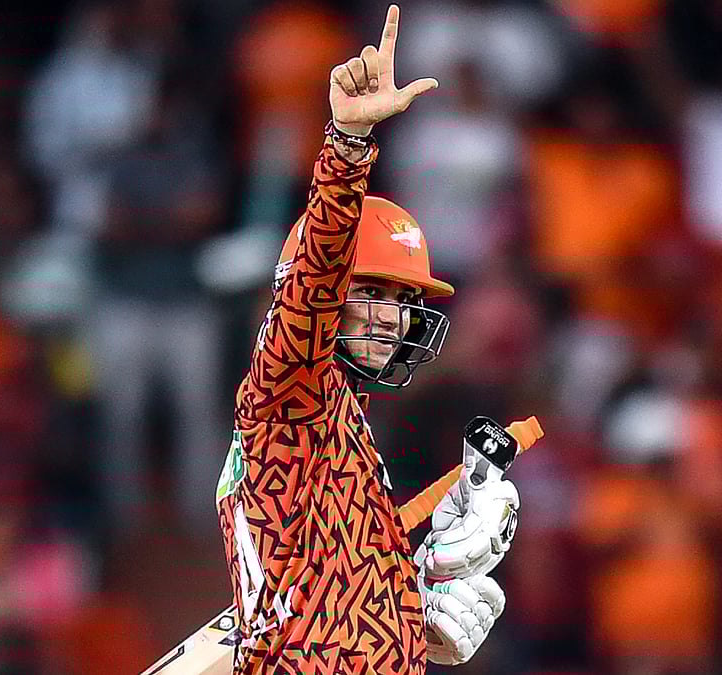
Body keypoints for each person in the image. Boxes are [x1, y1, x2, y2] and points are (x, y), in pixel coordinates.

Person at [214, 6, 517, 673]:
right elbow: (314, 280)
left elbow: (325, 602)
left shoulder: (339, 425)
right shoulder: (289, 391)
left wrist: (414, 614)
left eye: (406, 302)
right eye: (373, 294)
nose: (393, 317)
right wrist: (347, 146)